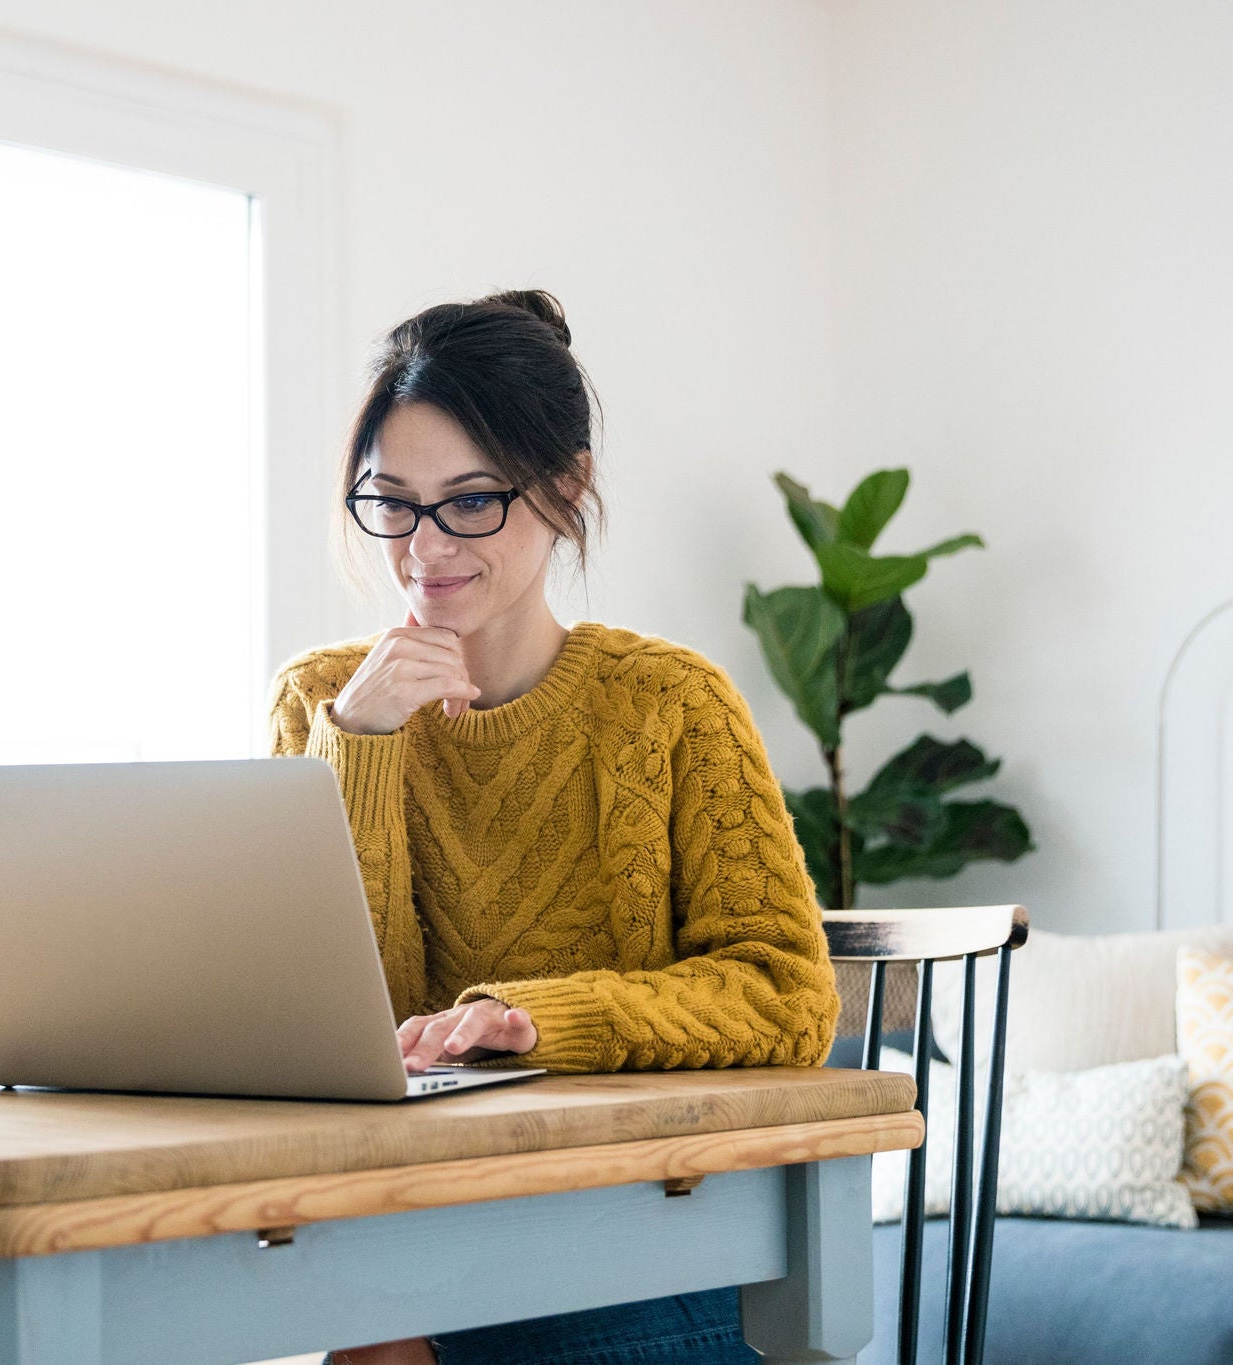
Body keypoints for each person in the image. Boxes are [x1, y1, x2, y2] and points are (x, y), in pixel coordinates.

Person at [266, 289, 840, 1365]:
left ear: (563, 487)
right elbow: (322, 1024)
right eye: (390, 501)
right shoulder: (321, 703)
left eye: (470, 501)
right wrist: (360, 743)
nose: (422, 547)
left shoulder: (667, 706)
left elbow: (786, 993)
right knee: (337, 1318)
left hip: (636, 1235)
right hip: (395, 1237)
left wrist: (539, 1022)